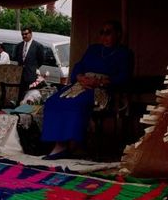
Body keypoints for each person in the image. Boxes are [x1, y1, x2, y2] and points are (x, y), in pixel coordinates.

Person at [41, 20, 133, 160]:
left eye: (108, 32)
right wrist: (79, 77)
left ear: (118, 34)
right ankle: (59, 144)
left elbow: (124, 77)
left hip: (102, 89)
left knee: (76, 103)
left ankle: (71, 144)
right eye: (101, 32)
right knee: (53, 101)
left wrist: (100, 82)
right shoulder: (93, 49)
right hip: (82, 85)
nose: (104, 36)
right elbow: (79, 66)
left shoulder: (124, 53)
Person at [14, 27, 44, 101]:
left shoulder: (38, 46)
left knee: (30, 95)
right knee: (20, 95)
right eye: (22, 34)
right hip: (20, 76)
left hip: (31, 75)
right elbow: (17, 58)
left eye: (26, 34)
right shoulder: (19, 46)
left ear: (31, 34)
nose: (24, 36)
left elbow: (41, 60)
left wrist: (33, 68)